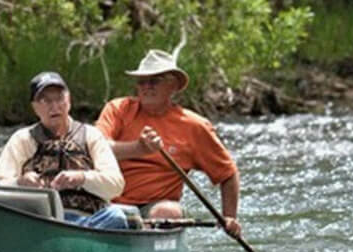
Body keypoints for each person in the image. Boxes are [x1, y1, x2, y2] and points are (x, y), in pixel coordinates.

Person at [95, 49, 243, 236]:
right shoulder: (117, 109)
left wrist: (229, 217)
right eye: (142, 81)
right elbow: (96, 149)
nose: (146, 86)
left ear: (173, 85)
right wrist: (138, 149)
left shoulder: (194, 126)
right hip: (109, 202)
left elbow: (228, 173)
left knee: (168, 212)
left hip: (157, 208)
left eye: (154, 81)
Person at [0, 71, 130, 230]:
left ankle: (75, 241)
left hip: (84, 224)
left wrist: (82, 178)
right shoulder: (23, 139)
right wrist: (20, 182)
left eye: (60, 99)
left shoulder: (91, 135)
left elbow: (115, 186)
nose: (54, 107)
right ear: (35, 107)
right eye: (45, 101)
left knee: (116, 216)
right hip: (34, 222)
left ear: (69, 101)